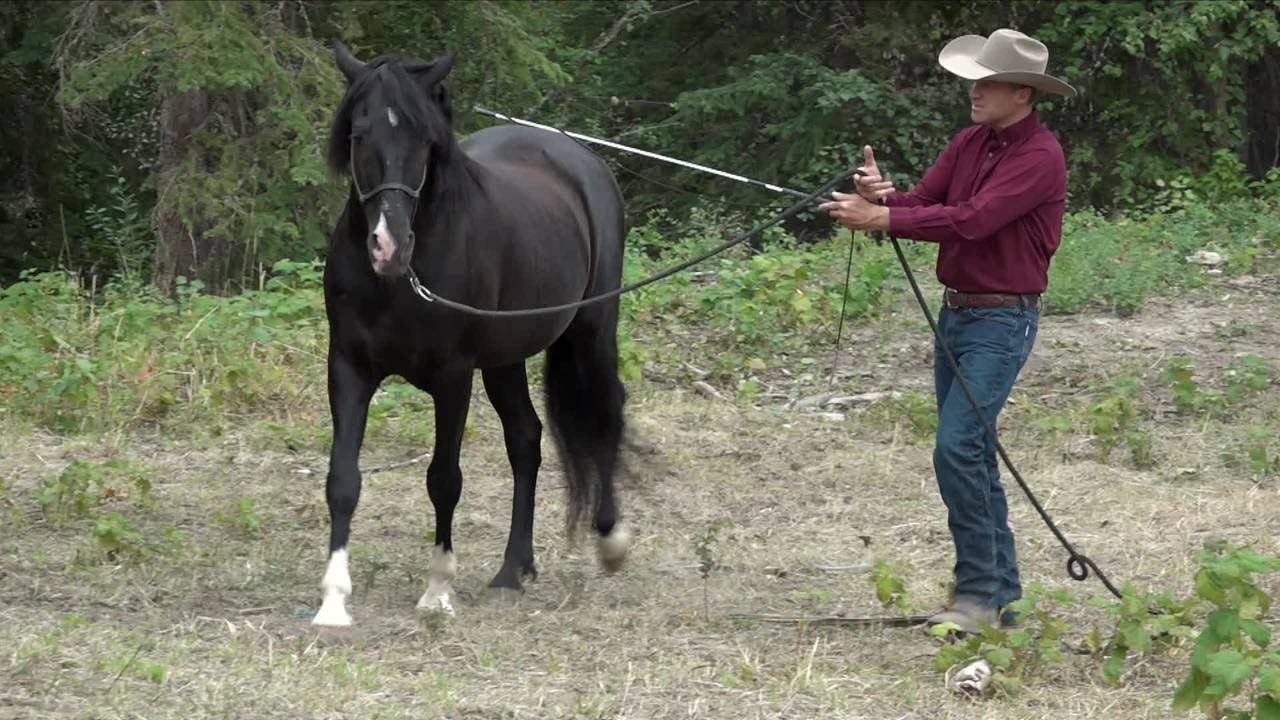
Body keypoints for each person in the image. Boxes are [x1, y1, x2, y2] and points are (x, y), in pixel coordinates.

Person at [819, 28, 1076, 633]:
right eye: (974, 79)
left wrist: (883, 216)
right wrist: (885, 197)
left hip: (1001, 318)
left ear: (1023, 93)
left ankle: (980, 596)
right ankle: (995, 597)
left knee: (958, 447)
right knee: (971, 452)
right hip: (959, 314)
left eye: (987, 82)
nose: (974, 90)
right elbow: (926, 202)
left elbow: (974, 219)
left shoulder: (1040, 156)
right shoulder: (968, 143)